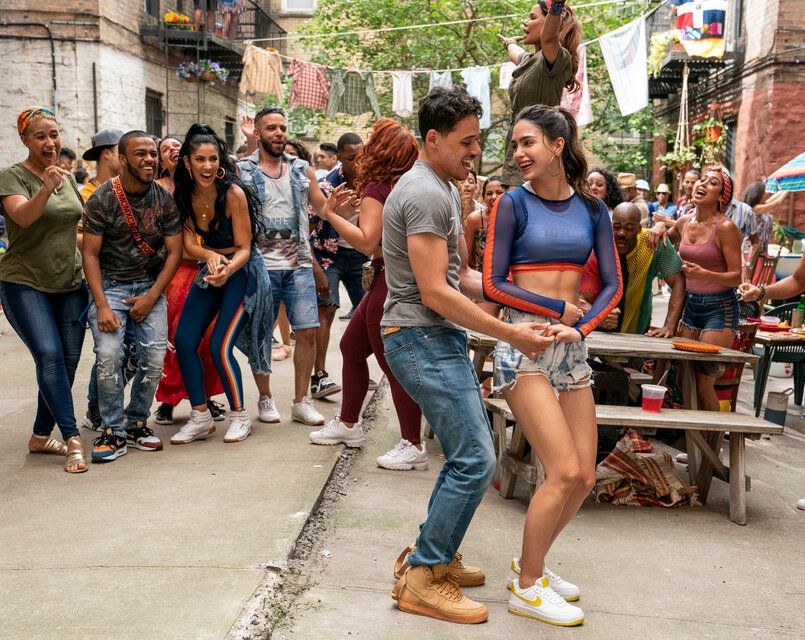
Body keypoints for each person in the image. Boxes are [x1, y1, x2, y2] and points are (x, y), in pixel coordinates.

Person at [381, 86, 551, 625]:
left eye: (477, 139)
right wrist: (511, 335)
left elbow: (464, 278)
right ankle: (423, 578)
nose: (476, 151)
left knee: (466, 455)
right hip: (419, 337)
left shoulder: (441, 188)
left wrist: (538, 304)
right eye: (467, 141)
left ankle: (433, 555)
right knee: (476, 459)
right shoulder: (426, 193)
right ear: (433, 139)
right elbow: (436, 293)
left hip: (433, 337)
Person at [483, 104, 622, 627]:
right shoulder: (511, 204)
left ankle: (532, 564)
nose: (518, 153)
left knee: (583, 475)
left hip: (570, 347)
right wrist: (556, 309)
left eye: (528, 143)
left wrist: (579, 329)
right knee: (561, 470)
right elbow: (494, 284)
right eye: (515, 144)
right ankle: (527, 587)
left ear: (557, 145)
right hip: (524, 344)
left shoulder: (592, 209)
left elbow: (613, 286)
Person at [307, 118, 427, 471]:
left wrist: (331, 214)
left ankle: (413, 443)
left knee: (392, 364)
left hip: (388, 279)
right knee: (351, 347)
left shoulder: (378, 188)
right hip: (392, 277)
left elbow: (366, 242)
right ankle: (348, 424)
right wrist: (348, 214)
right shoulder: (405, 185)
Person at [81, 130, 183, 463]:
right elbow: (90, 254)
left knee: (153, 360)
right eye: (141, 154)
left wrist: (152, 296)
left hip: (149, 288)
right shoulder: (102, 199)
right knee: (109, 356)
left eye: (153, 153)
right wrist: (101, 305)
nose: (150, 159)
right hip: (110, 288)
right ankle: (112, 430)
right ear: (123, 160)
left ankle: (136, 422)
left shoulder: (164, 199)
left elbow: (175, 252)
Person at [169, 124, 273, 444]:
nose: (207, 166)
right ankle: (200, 416)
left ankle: (240, 416)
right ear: (187, 162)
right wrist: (210, 255)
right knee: (184, 339)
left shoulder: (233, 194)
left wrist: (225, 268)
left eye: (213, 159)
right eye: (200, 159)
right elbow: (189, 246)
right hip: (212, 269)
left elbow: (244, 248)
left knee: (219, 346)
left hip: (242, 272)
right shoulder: (184, 194)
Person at [0, 106, 88, 473]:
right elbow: (23, 217)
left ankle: (40, 435)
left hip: (69, 282)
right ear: (25, 140)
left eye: (53, 134)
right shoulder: (11, 177)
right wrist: (47, 189)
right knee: (49, 355)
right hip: (25, 282)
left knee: (66, 363)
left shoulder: (65, 178)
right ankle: (72, 438)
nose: (49, 142)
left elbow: (76, 230)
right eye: (40, 136)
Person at [237, 106, 334, 426]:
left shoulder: (301, 168)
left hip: (298, 264)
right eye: (271, 128)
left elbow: (322, 208)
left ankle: (301, 401)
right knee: (260, 333)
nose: (279, 133)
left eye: (282, 128)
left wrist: (338, 210)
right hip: (259, 265)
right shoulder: (243, 170)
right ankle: (265, 398)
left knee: (307, 331)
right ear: (258, 133)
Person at [153, 135, 227, 427]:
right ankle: (168, 400)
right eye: (165, 148)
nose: (172, 149)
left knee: (207, 339)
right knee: (175, 340)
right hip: (176, 271)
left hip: (207, 268)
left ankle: (205, 397)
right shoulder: (158, 189)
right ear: (162, 160)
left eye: (176, 145)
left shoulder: (205, 186)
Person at [665, 165, 741, 412]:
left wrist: (704, 274)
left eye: (712, 183)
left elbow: (737, 277)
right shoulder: (684, 221)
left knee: (702, 382)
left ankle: (712, 437)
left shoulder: (726, 227)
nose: (703, 184)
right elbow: (665, 238)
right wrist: (656, 228)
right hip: (691, 307)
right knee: (682, 378)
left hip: (719, 310)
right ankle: (691, 436)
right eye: (703, 180)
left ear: (721, 197)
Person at [498, 0, 582, 187]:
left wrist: (556, 7)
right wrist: (509, 42)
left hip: (538, 153)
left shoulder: (555, 59)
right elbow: (514, 51)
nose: (525, 22)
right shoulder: (528, 60)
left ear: (550, 23)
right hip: (517, 152)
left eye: (532, 17)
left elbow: (549, 39)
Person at [309, 132, 366, 399]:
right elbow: (309, 227)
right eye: (353, 157)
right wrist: (315, 268)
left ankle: (360, 371)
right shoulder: (327, 185)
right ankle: (319, 376)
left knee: (368, 312)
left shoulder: (371, 182)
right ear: (340, 157)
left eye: (362, 156)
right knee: (327, 309)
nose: (359, 162)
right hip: (328, 255)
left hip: (360, 254)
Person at [581, 202, 685, 337]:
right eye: (616, 227)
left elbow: (678, 281)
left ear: (639, 229)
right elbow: (580, 298)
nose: (621, 233)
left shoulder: (652, 243)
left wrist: (669, 326)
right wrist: (599, 317)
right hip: (596, 332)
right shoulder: (597, 248)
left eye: (629, 228)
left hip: (637, 331)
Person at [464, 176, 506, 273]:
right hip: (480, 278)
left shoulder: (515, 219)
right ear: (483, 198)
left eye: (499, 192)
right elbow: (466, 260)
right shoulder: (474, 219)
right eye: (489, 193)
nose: (494, 197)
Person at [80, 128, 124, 203]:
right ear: (107, 154)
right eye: (122, 152)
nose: (127, 158)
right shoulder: (85, 197)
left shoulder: (127, 191)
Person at [724, 195, 759, 282]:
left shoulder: (745, 211)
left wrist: (748, 266)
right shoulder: (697, 209)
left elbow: (755, 242)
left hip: (734, 269)